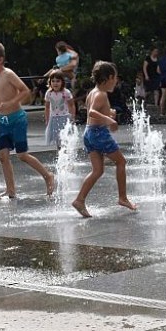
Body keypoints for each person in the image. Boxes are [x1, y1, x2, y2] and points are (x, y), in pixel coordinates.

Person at [0, 41, 55, 198]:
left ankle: (48, 175)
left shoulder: (8, 74)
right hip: (3, 120)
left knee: (22, 155)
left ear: (0, 59)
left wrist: (11, 102)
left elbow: (25, 91)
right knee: (3, 156)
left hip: (17, 118)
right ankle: (10, 190)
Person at [71, 61, 137, 218]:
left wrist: (109, 114)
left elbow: (94, 111)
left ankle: (79, 200)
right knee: (121, 162)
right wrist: (110, 121)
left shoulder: (93, 93)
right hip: (99, 133)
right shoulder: (101, 94)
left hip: (89, 133)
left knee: (98, 170)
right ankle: (123, 198)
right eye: (115, 78)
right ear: (109, 77)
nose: (116, 82)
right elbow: (92, 112)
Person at [44, 70, 75, 148]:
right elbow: (47, 107)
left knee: (65, 138)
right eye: (53, 81)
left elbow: (71, 105)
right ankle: (60, 154)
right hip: (54, 118)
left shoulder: (66, 92)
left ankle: (67, 155)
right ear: (50, 82)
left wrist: (72, 117)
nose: (55, 83)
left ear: (62, 82)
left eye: (58, 81)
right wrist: (47, 119)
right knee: (57, 138)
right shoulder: (49, 93)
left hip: (64, 117)